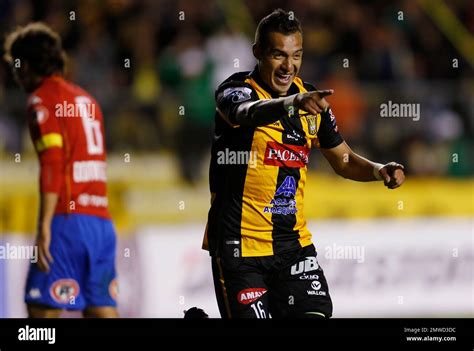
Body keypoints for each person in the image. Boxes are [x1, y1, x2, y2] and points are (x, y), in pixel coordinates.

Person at [202, 9, 405, 319]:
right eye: (278, 55)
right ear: (257, 53)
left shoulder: (310, 102)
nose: (288, 66)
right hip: (239, 249)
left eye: (296, 56)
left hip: (292, 246)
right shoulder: (236, 90)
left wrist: (379, 170)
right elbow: (243, 114)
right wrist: (290, 103)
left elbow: (344, 160)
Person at [4, 23, 119, 318]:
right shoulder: (88, 101)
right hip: (101, 222)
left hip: (68, 221)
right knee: (101, 310)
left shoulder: (42, 100)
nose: (14, 74)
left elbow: (53, 162)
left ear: (26, 65)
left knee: (40, 309)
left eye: (16, 65)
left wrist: (44, 226)